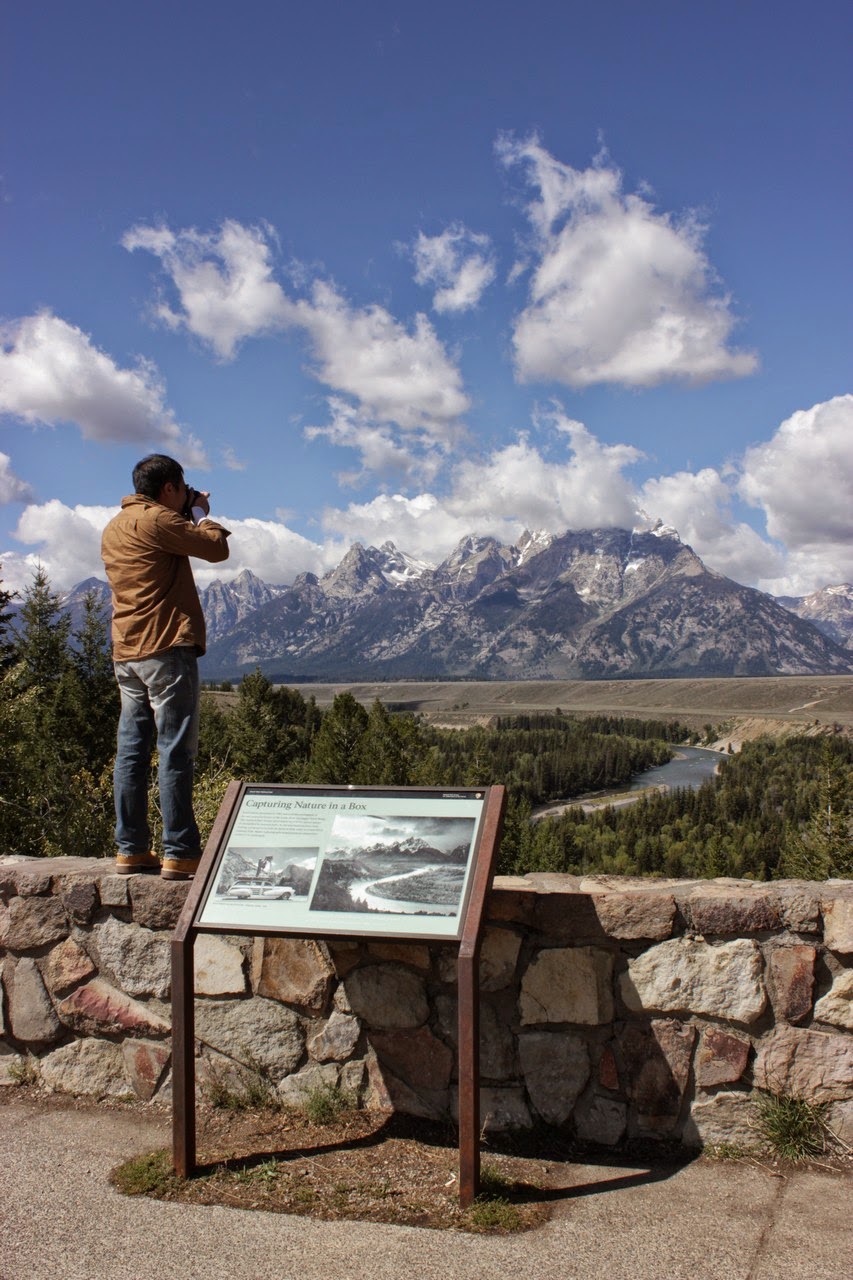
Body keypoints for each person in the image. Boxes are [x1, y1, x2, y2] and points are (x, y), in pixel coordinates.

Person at [101, 454, 231, 880]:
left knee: (132, 751)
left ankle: (131, 847)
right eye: (182, 487)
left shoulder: (114, 527)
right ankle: (179, 850)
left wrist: (186, 505)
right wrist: (199, 511)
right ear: (169, 488)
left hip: (127, 652)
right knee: (175, 750)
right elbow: (216, 548)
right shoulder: (158, 521)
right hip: (165, 646)